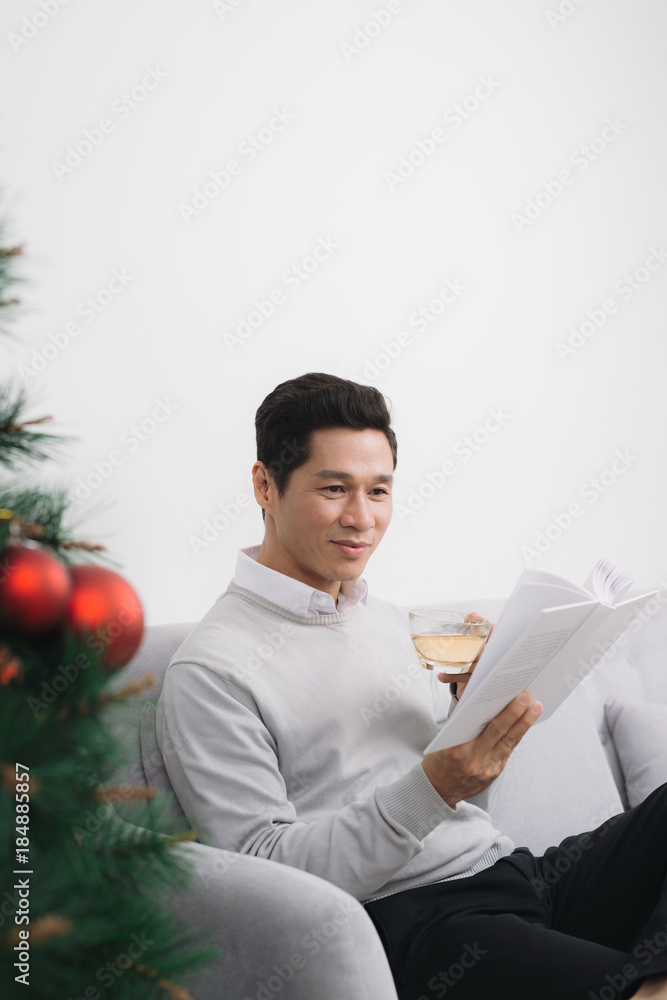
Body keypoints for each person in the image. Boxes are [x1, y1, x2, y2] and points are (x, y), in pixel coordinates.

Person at [156, 372, 667, 999]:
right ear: (265, 484)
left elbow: (451, 804)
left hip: (515, 875)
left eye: (379, 490)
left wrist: (472, 715)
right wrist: (436, 784)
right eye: (335, 488)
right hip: (420, 922)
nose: (362, 519)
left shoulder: (390, 620)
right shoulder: (212, 671)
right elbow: (265, 875)